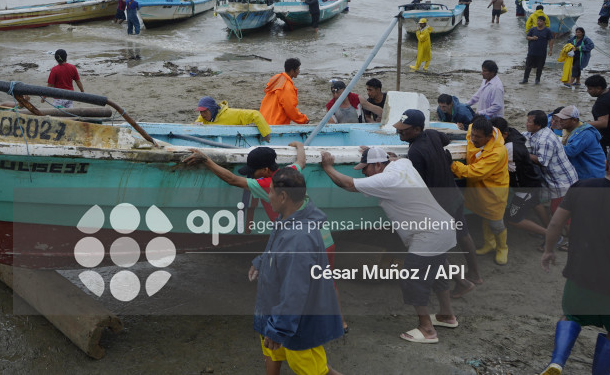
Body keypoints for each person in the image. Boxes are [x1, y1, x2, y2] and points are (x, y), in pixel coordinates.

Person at [182, 144, 348, 334]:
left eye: (255, 171)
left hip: (302, 243)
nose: (252, 175)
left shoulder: (267, 184)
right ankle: (341, 323)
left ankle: (297, 329)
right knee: (327, 282)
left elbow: (232, 179)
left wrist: (206, 161)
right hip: (324, 237)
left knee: (294, 285)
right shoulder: (290, 173)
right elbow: (301, 161)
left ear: (267, 170)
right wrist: (299, 145)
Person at [321, 147, 458, 344]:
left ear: (378, 165)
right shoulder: (402, 164)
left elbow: (348, 184)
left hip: (428, 235)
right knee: (438, 272)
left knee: (411, 280)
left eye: (365, 168)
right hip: (443, 227)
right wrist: (374, 151)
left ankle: (427, 329)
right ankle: (446, 315)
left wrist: (328, 167)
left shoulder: (386, 179)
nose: (363, 172)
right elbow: (395, 157)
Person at [250, 168, 344, 375]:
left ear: (283, 196)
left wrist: (279, 328)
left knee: (314, 370)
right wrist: (261, 262)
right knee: (276, 355)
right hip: (276, 313)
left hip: (295, 323)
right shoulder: (289, 218)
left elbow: (295, 290)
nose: (268, 195)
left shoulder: (299, 238)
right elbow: (277, 250)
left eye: (271, 191)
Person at [538, 150, 610, 375]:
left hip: (581, 273)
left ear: (606, 164)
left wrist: (548, 250)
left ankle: (557, 362)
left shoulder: (582, 187)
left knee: (571, 316)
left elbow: (555, 224)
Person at [393, 109, 481, 297]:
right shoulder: (432, 134)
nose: (399, 132)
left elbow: (416, 182)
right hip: (454, 196)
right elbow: (445, 141)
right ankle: (475, 274)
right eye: (399, 128)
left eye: (404, 129)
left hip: (439, 205)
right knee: (463, 234)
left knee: (432, 247)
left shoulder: (415, 151)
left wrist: (397, 163)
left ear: (417, 129)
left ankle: (462, 282)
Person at [451, 117, 511, 265]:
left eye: (478, 137)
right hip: (479, 189)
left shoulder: (497, 152)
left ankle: (502, 248)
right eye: (472, 135)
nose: (473, 139)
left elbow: (474, 172)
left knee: (496, 221)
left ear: (489, 137)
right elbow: (470, 130)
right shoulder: (474, 131)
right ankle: (489, 244)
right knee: (485, 216)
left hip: (494, 191)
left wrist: (451, 164)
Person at [490, 117, 551, 240]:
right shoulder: (512, 134)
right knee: (536, 203)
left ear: (504, 134)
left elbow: (499, 168)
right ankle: (551, 229)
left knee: (513, 219)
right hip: (533, 180)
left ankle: (551, 236)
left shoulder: (510, 148)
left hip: (524, 187)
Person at [524, 110, 578, 228]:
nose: (526, 124)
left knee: (560, 214)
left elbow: (542, 161)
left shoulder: (544, 140)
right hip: (557, 179)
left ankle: (567, 236)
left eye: (529, 122)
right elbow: (525, 135)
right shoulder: (538, 132)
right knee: (557, 210)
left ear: (538, 125)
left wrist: (524, 154)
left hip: (561, 182)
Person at [553, 106, 606, 180]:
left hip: (593, 174)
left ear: (574, 120)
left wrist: (551, 144)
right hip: (584, 173)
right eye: (560, 119)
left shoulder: (585, 133)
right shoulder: (568, 131)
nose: (560, 121)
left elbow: (569, 152)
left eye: (564, 119)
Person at [194, 96, 272, 141]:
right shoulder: (203, 118)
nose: (202, 114)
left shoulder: (231, 114)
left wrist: (265, 134)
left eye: (204, 111)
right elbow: (195, 125)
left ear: (212, 109)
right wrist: (196, 125)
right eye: (200, 111)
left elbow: (255, 114)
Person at [260, 58, 309, 125]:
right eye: (298, 69)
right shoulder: (287, 87)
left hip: (264, 118)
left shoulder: (278, 78)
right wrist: (303, 120)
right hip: (275, 123)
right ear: (292, 71)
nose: (298, 72)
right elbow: (290, 109)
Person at [520, 15, 554, 84]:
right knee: (528, 66)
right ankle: (525, 79)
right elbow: (527, 37)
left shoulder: (547, 31)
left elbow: (551, 40)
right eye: (538, 21)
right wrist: (532, 38)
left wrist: (550, 50)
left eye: (540, 21)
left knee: (540, 67)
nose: (538, 22)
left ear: (544, 22)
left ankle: (537, 80)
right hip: (531, 52)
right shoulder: (533, 29)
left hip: (542, 52)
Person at [585, 75, 610, 153]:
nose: (587, 91)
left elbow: (603, 123)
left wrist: (582, 125)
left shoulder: (601, 104)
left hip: (609, 137)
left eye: (590, 89)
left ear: (599, 88)